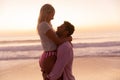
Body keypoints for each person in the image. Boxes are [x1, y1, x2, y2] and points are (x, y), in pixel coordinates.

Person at [37, 4, 72, 80]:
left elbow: (56, 37)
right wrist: (69, 38)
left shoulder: (46, 24)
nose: (53, 17)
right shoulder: (44, 25)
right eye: (52, 15)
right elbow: (57, 41)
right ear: (47, 13)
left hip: (48, 55)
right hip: (50, 56)